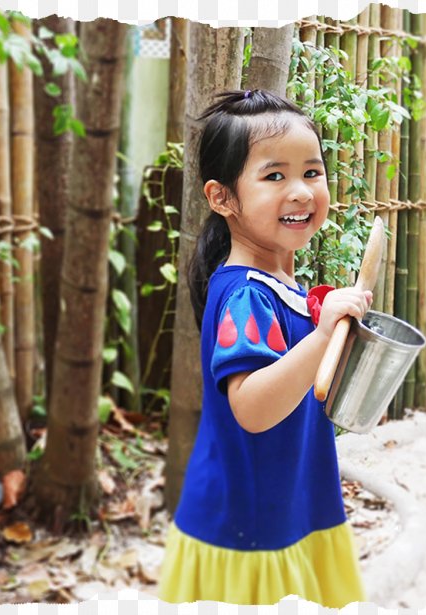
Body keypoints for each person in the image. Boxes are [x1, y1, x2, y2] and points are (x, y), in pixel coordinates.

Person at [158, 89, 370, 607]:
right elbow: (252, 408)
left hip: (295, 506)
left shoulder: (282, 285)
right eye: (275, 176)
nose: (300, 191)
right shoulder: (245, 296)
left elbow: (303, 392)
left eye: (312, 172)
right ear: (222, 197)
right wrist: (323, 336)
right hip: (249, 527)